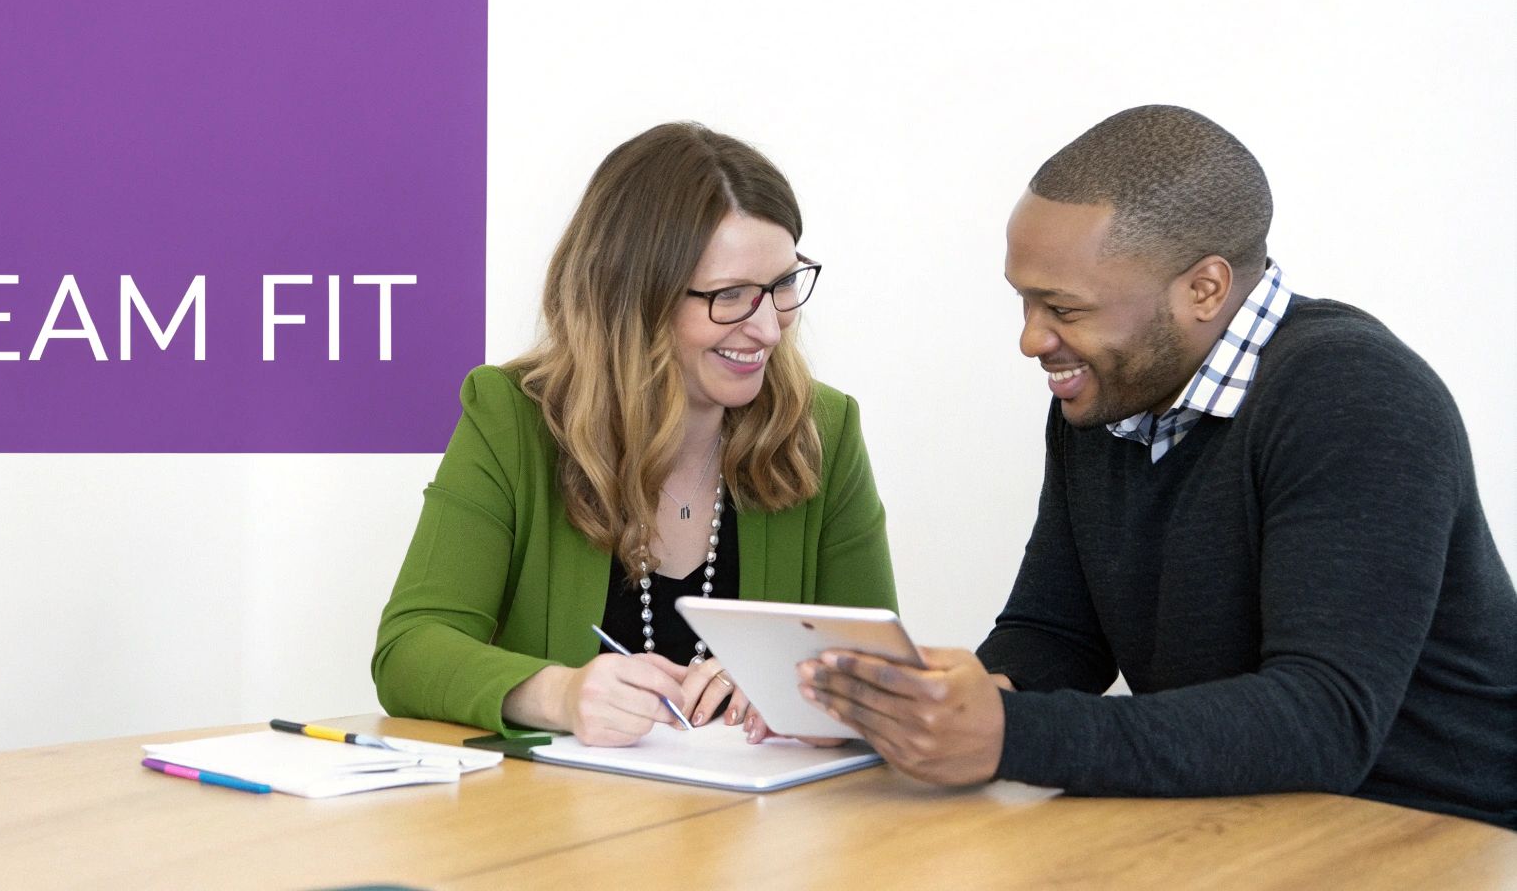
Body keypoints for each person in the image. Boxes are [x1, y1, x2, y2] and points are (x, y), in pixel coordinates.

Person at [801, 105, 1516, 828]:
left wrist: (1010, 734)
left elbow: (1323, 721)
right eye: (1024, 301)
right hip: (1243, 823)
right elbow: (1058, 635)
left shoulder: (1353, 394)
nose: (1031, 339)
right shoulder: (1109, 395)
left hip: (1434, 832)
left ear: (1203, 289)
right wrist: (921, 706)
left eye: (1062, 308)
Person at [374, 122, 897, 746]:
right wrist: (561, 694)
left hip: (761, 832)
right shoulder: (510, 417)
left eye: (781, 286)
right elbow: (409, 650)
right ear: (634, 298)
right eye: (730, 296)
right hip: (560, 828)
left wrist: (795, 687)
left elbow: (882, 680)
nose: (768, 328)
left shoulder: (824, 430)